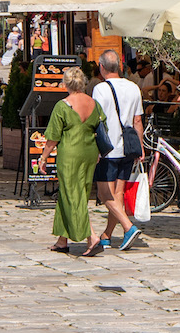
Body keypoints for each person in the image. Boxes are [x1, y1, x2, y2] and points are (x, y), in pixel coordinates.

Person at [37, 65, 106, 257]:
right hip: (90, 152)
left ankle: (92, 237)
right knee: (77, 193)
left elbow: (52, 137)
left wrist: (43, 157)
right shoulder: (94, 103)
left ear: (66, 84)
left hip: (70, 154)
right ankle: (62, 240)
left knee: (71, 194)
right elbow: (102, 126)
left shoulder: (63, 106)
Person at [92, 48, 144, 251]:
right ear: (120, 67)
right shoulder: (133, 87)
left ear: (102, 67)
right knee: (118, 193)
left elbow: (96, 119)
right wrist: (140, 147)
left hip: (108, 148)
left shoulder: (100, 89)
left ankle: (128, 227)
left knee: (105, 195)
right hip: (128, 148)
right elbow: (137, 120)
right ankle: (107, 234)